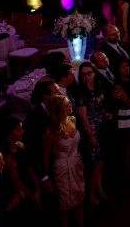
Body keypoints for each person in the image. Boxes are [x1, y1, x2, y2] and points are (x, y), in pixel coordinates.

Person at [44, 95, 85, 227]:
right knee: (65, 207)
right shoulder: (50, 132)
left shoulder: (72, 119)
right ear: (59, 109)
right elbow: (45, 157)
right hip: (62, 169)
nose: (70, 106)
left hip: (76, 165)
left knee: (80, 200)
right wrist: (46, 178)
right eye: (67, 105)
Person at [73, 62, 108, 206]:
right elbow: (83, 117)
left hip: (102, 128)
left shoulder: (98, 86)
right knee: (94, 165)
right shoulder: (81, 93)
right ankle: (91, 194)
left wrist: (106, 114)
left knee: (101, 162)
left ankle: (99, 188)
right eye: (84, 74)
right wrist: (91, 136)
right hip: (92, 130)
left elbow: (100, 106)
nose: (87, 77)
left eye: (90, 73)